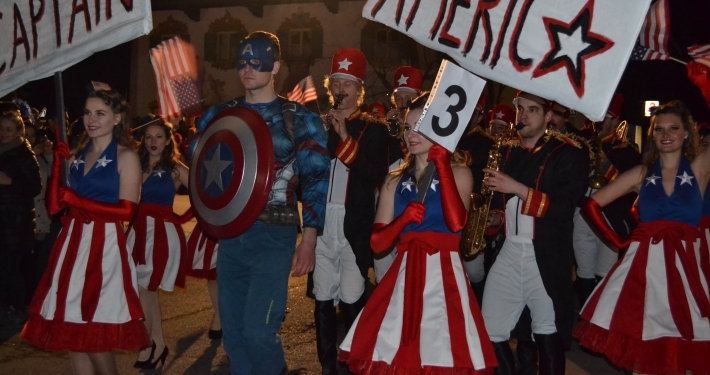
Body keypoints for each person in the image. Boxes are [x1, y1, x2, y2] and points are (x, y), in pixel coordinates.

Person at [193, 31, 330, 375]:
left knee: (259, 330)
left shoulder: (300, 119)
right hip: (232, 236)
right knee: (234, 335)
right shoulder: (220, 116)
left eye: (257, 62)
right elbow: (203, 169)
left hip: (275, 232)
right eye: (242, 62)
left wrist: (309, 240)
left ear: (275, 66)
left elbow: (315, 181)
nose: (248, 69)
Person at [339, 92, 497, 374]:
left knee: (443, 353)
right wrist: (402, 221)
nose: (411, 134)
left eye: (421, 127)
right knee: (401, 354)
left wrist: (443, 166)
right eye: (409, 127)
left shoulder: (460, 172)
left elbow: (457, 223)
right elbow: (377, 243)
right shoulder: (394, 180)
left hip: (445, 275)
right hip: (405, 273)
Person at [575, 100, 710, 375]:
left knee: (687, 345)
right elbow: (591, 205)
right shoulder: (641, 173)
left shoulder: (698, 169)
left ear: (687, 133)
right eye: (659, 129)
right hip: (644, 271)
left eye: (674, 128)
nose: (666, 134)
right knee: (645, 347)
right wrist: (618, 241)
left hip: (687, 269)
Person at [21, 85, 149, 375]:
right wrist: (57, 164)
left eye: (100, 113)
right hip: (72, 243)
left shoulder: (126, 156)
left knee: (95, 329)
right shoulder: (79, 151)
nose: (92, 119)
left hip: (104, 247)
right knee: (73, 329)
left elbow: (128, 211)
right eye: (88, 112)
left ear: (117, 118)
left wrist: (79, 200)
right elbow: (55, 207)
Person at [481, 91, 589, 375]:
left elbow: (564, 207)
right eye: (520, 109)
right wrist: (492, 217)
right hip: (509, 250)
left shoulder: (569, 152)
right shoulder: (507, 150)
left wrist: (515, 187)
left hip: (545, 254)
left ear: (549, 116)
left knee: (547, 332)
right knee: (489, 329)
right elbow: (504, 207)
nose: (523, 116)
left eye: (533, 110)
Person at [312, 48, 390, 374]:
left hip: (353, 223)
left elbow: (374, 172)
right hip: (321, 224)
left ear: (359, 90)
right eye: (336, 83)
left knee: (352, 297)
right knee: (322, 297)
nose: (340, 90)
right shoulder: (319, 126)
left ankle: (353, 365)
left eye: (348, 84)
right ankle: (328, 367)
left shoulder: (375, 129)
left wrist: (344, 137)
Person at [126, 118, 191, 369]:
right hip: (137, 232)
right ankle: (158, 345)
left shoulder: (175, 168)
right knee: (146, 292)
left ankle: (147, 346)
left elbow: (203, 190)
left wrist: (183, 217)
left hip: (161, 234)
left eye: (159, 137)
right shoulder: (136, 164)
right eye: (149, 137)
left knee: (146, 289)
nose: (153, 142)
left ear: (168, 141)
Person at [572, 93, 640, 303]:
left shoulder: (627, 151)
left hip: (611, 220)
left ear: (616, 121)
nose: (600, 123)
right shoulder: (581, 145)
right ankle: (583, 318)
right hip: (583, 217)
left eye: (606, 119)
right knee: (584, 273)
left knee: (606, 274)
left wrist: (607, 165)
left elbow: (631, 187)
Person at [0, 112, 42, 324]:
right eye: (1, 129)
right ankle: (7, 307)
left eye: (8, 129)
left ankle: (19, 308)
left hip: (16, 223)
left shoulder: (24, 154)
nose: (3, 133)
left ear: (18, 132)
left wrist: (10, 181)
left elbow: (34, 186)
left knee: (11, 268)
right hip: (3, 220)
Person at [185, 223, 221, 340]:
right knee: (213, 276)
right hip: (214, 222)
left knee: (238, 278)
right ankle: (219, 316)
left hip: (242, 221)